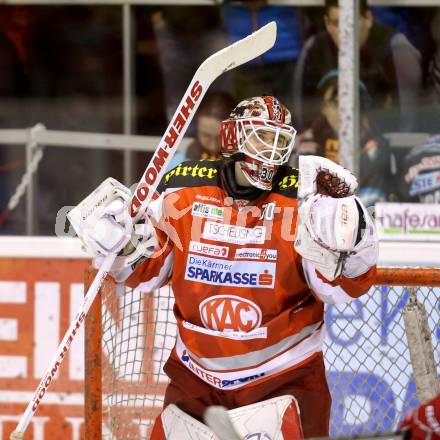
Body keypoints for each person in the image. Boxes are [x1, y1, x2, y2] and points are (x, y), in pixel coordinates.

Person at [71, 95, 379, 438]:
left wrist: (352, 243)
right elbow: (149, 272)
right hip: (196, 381)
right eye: (261, 137)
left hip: (284, 380)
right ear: (233, 136)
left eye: (279, 141)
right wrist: (121, 247)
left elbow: (341, 288)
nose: (271, 151)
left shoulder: (304, 201)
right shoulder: (183, 187)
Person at [294, 0, 422, 132]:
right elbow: (302, 118)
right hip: (325, 144)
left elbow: (406, 125)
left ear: (368, 19)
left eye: (352, 22)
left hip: (385, 143)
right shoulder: (314, 48)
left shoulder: (396, 49)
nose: (345, 32)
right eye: (337, 23)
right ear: (327, 23)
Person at [293, 69, 392, 208]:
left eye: (348, 102)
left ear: (360, 108)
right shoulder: (304, 145)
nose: (342, 110)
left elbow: (368, 209)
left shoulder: (376, 146)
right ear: (323, 108)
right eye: (334, 103)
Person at [166, 91, 236, 170]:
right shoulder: (176, 165)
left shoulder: (243, 167)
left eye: (221, 137)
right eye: (206, 135)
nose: (213, 146)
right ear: (197, 127)